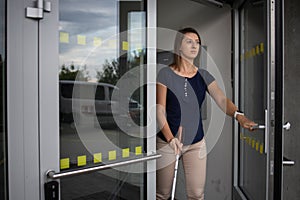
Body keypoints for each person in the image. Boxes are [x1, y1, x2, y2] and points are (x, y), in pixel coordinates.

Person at [156, 27, 256, 200]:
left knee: (196, 195)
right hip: (168, 142)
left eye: (197, 42)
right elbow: (159, 110)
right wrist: (171, 139)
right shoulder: (165, 74)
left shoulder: (203, 75)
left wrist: (240, 116)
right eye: (189, 41)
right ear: (179, 47)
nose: (195, 46)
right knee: (162, 194)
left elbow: (222, 100)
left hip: (196, 143)